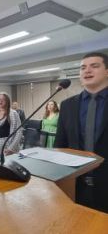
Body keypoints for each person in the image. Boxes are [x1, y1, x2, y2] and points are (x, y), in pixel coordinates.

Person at [55, 52, 108, 213]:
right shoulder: (67, 105)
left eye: (94, 66)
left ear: (107, 71)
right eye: (83, 68)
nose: (87, 70)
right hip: (74, 186)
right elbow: (60, 146)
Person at [0, 92, 22, 158]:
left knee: (8, 167)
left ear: (7, 101)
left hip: (9, 150)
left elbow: (19, 132)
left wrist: (11, 148)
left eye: (3, 99)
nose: (0, 101)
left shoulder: (13, 114)